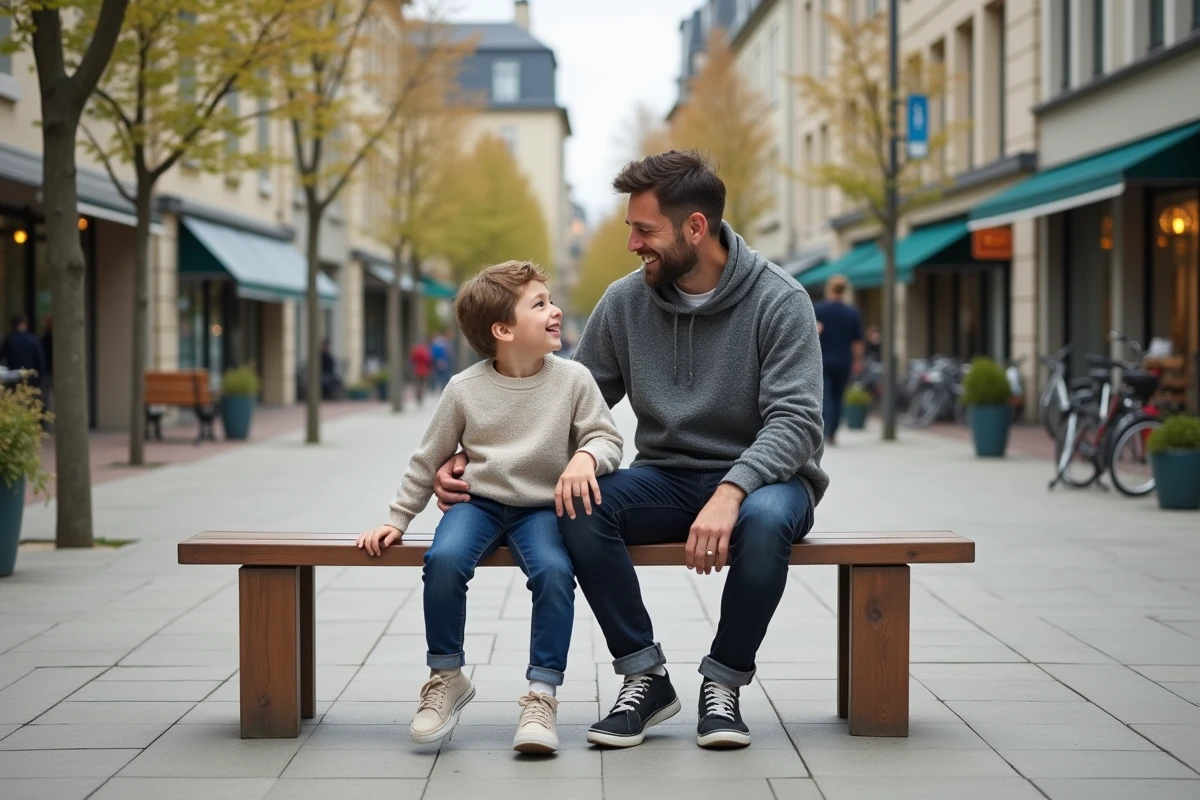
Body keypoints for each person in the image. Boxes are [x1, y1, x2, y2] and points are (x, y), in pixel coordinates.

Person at [432, 150, 827, 750]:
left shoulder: (780, 299)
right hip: (665, 475)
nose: (632, 244)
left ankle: (723, 684)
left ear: (695, 227)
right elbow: (565, 398)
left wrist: (732, 491)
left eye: (645, 231)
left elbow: (796, 422)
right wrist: (473, 455)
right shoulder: (624, 301)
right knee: (580, 503)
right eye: (630, 229)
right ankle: (645, 676)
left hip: (766, 481)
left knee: (768, 519)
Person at [356, 260, 624, 754]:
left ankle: (541, 695)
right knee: (442, 560)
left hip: (541, 509)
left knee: (554, 572)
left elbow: (607, 438)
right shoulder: (464, 389)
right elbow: (427, 458)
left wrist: (586, 457)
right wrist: (397, 519)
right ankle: (446, 676)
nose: (555, 311)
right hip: (476, 503)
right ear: (503, 330)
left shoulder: (574, 379)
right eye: (539, 304)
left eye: (550, 300)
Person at [813, 274, 864, 445]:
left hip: (823, 361)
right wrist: (857, 361)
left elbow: (811, 333)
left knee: (824, 396)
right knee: (838, 397)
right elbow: (857, 342)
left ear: (829, 289)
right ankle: (832, 432)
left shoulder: (819, 310)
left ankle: (825, 429)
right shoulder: (852, 312)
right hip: (843, 361)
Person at [0, 315, 48, 390]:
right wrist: (40, 377)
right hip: (31, 376)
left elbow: (1, 356)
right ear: (25, 325)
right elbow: (40, 360)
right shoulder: (33, 339)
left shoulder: (9, 340)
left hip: (14, 377)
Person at [409, 338, 433, 406]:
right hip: (423, 369)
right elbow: (428, 359)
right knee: (422, 383)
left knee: (417, 383)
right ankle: (420, 396)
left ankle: (418, 395)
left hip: (417, 369)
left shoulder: (415, 350)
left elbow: (412, 359)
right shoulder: (425, 350)